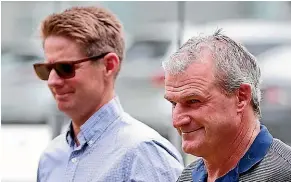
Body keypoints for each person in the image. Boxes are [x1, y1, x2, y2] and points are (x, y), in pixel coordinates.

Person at [34, 6, 184, 182]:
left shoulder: (144, 155)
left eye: (64, 68)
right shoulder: (51, 158)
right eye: (45, 70)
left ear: (109, 65)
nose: (52, 81)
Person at [162, 30, 291, 182]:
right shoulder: (188, 176)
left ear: (241, 97)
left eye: (193, 101)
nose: (177, 121)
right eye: (173, 103)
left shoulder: (283, 173)